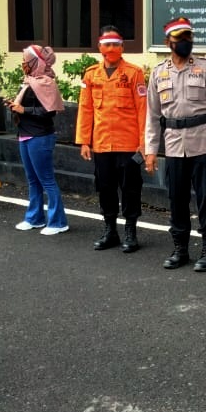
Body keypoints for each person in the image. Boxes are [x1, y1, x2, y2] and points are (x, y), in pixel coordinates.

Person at [144, 17, 206, 272]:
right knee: (176, 199)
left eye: (188, 37)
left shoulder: (205, 67)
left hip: (203, 143)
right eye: (179, 38)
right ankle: (180, 248)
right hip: (173, 145)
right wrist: (150, 150)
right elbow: (152, 115)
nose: (185, 42)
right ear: (168, 42)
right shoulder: (158, 72)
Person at [76, 26, 147, 253]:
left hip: (129, 144)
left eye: (116, 44)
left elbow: (143, 109)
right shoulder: (91, 75)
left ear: (122, 47)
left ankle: (130, 232)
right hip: (101, 143)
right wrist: (84, 141)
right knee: (105, 187)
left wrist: (144, 143)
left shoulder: (134, 73)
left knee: (130, 189)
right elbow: (85, 108)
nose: (111, 48)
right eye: (107, 44)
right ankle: (110, 231)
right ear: (100, 47)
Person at [7, 44, 70, 236]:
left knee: (47, 180)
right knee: (32, 180)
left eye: (25, 60)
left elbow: (49, 112)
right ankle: (34, 218)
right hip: (25, 134)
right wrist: (14, 105)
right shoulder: (28, 81)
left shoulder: (46, 82)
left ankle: (58, 222)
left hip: (40, 136)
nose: (23, 63)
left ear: (36, 62)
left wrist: (23, 109)